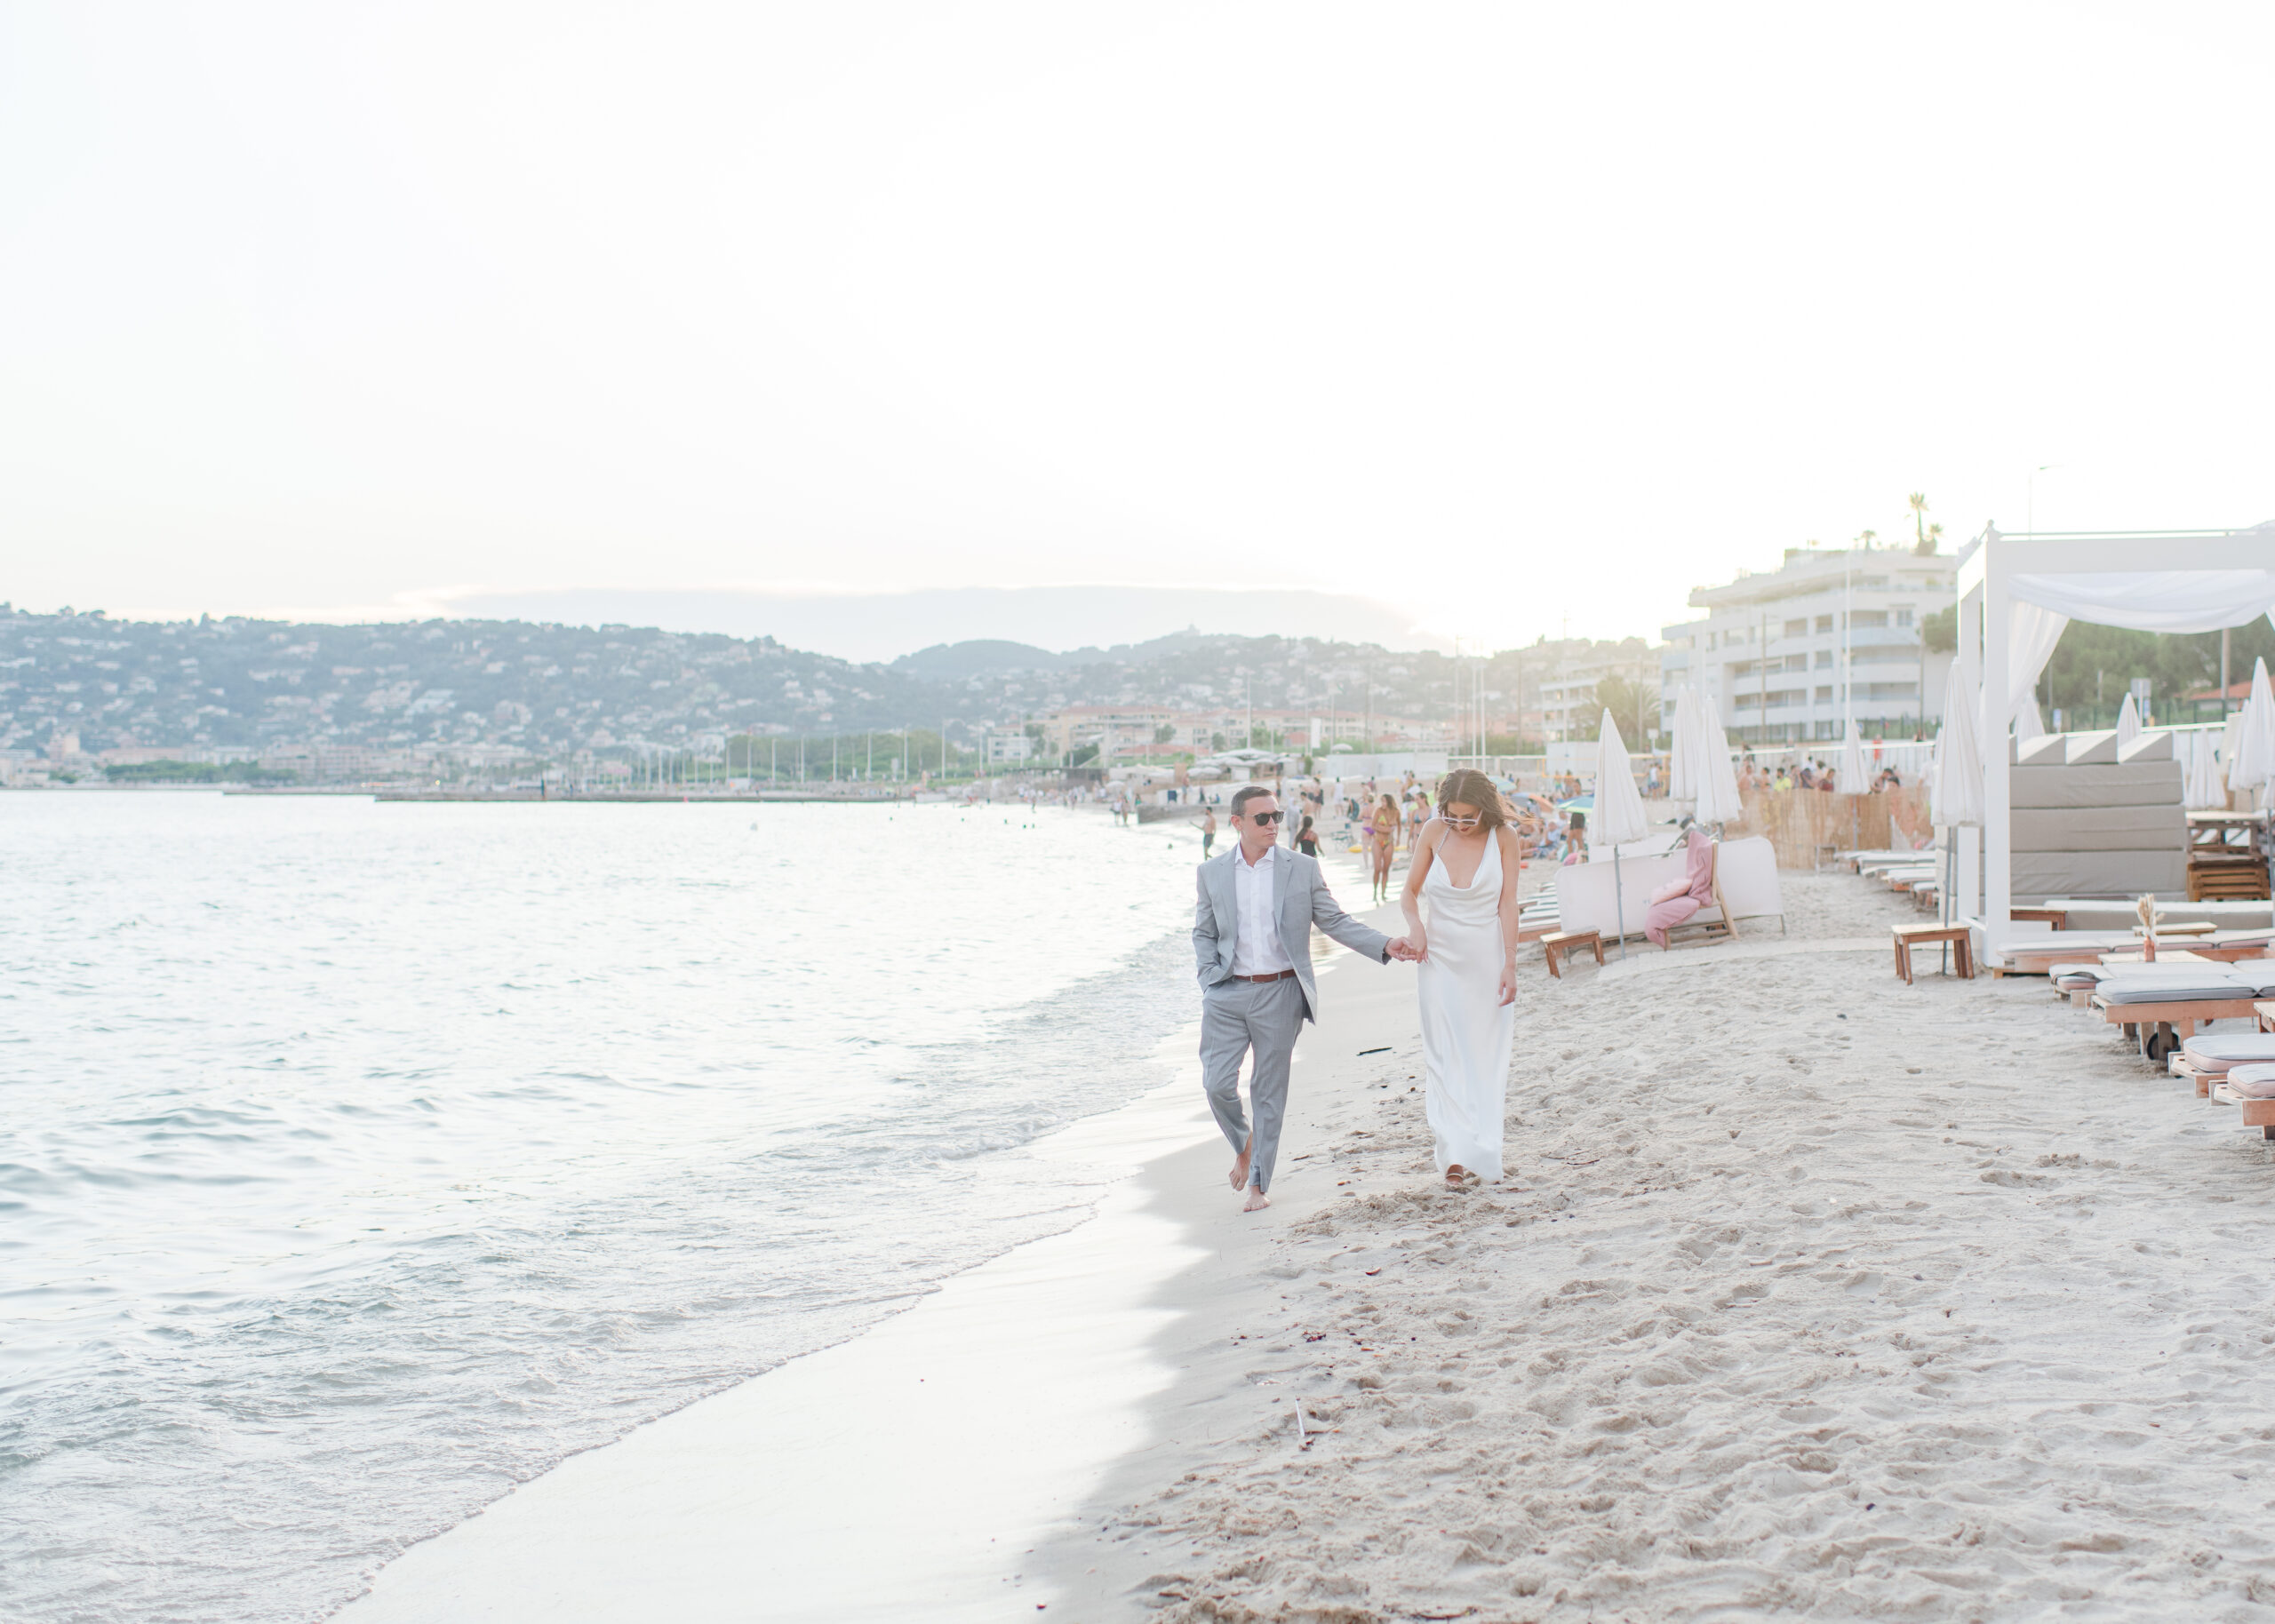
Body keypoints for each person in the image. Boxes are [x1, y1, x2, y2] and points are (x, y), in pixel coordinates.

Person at [1193, 785, 1418, 1213]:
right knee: (1217, 1084)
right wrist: (1208, 979)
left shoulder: (1302, 868)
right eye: (1262, 818)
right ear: (1238, 823)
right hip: (1226, 993)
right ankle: (1244, 1143)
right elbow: (1204, 932)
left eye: (1277, 816)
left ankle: (1259, 1183)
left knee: (1268, 1093)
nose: (1273, 824)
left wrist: (1386, 944)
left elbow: (1334, 920)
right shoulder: (1212, 872)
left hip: (1281, 992)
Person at [1401, 769, 1521, 1186]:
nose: (1460, 824)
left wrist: (1510, 963)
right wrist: (1415, 926)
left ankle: (1483, 1148)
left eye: (1468, 817)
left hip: (1486, 959)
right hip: (1438, 957)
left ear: (1484, 809)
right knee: (1444, 1053)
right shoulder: (1435, 832)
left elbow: (1508, 904)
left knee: (1481, 1055)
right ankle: (1453, 1153)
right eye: (1452, 816)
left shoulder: (1504, 837)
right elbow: (1408, 892)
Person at [1645, 825, 1716, 946]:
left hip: (1694, 893)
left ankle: (1662, 940)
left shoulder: (1691, 884)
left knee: (1656, 913)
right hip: (1690, 889)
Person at [1369, 793, 1400, 902]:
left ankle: (1383, 893)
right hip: (1378, 841)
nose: (1382, 804)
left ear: (1389, 802)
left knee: (1385, 869)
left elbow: (1398, 825)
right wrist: (1385, 829)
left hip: (1389, 842)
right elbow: (1373, 825)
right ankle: (1374, 892)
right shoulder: (1378, 811)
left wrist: (1398, 838)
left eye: (1384, 801)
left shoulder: (1395, 812)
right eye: (1381, 801)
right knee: (1377, 868)